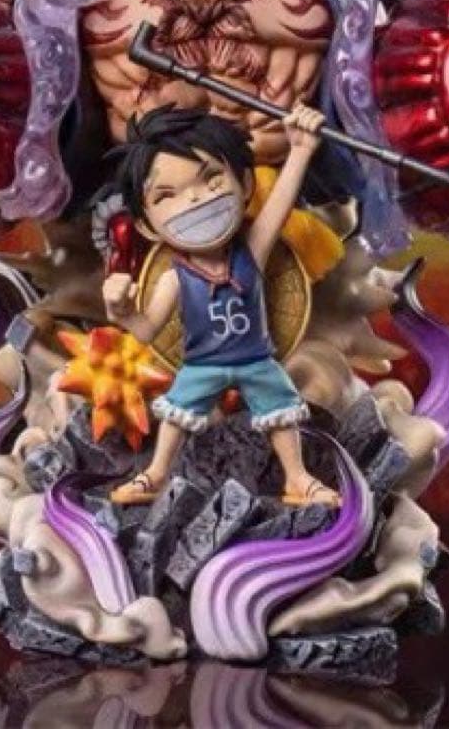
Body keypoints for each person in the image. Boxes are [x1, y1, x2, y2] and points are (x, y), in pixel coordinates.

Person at [102, 102, 340, 507]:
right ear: (145, 224)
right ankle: (156, 473)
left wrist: (300, 150)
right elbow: (146, 330)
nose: (195, 199)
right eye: (167, 195)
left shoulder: (251, 252)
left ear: (245, 185)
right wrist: (121, 311)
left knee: (282, 408)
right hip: (202, 365)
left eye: (211, 178)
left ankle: (298, 478)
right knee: (177, 411)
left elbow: (279, 206)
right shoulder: (176, 277)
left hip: (256, 359)